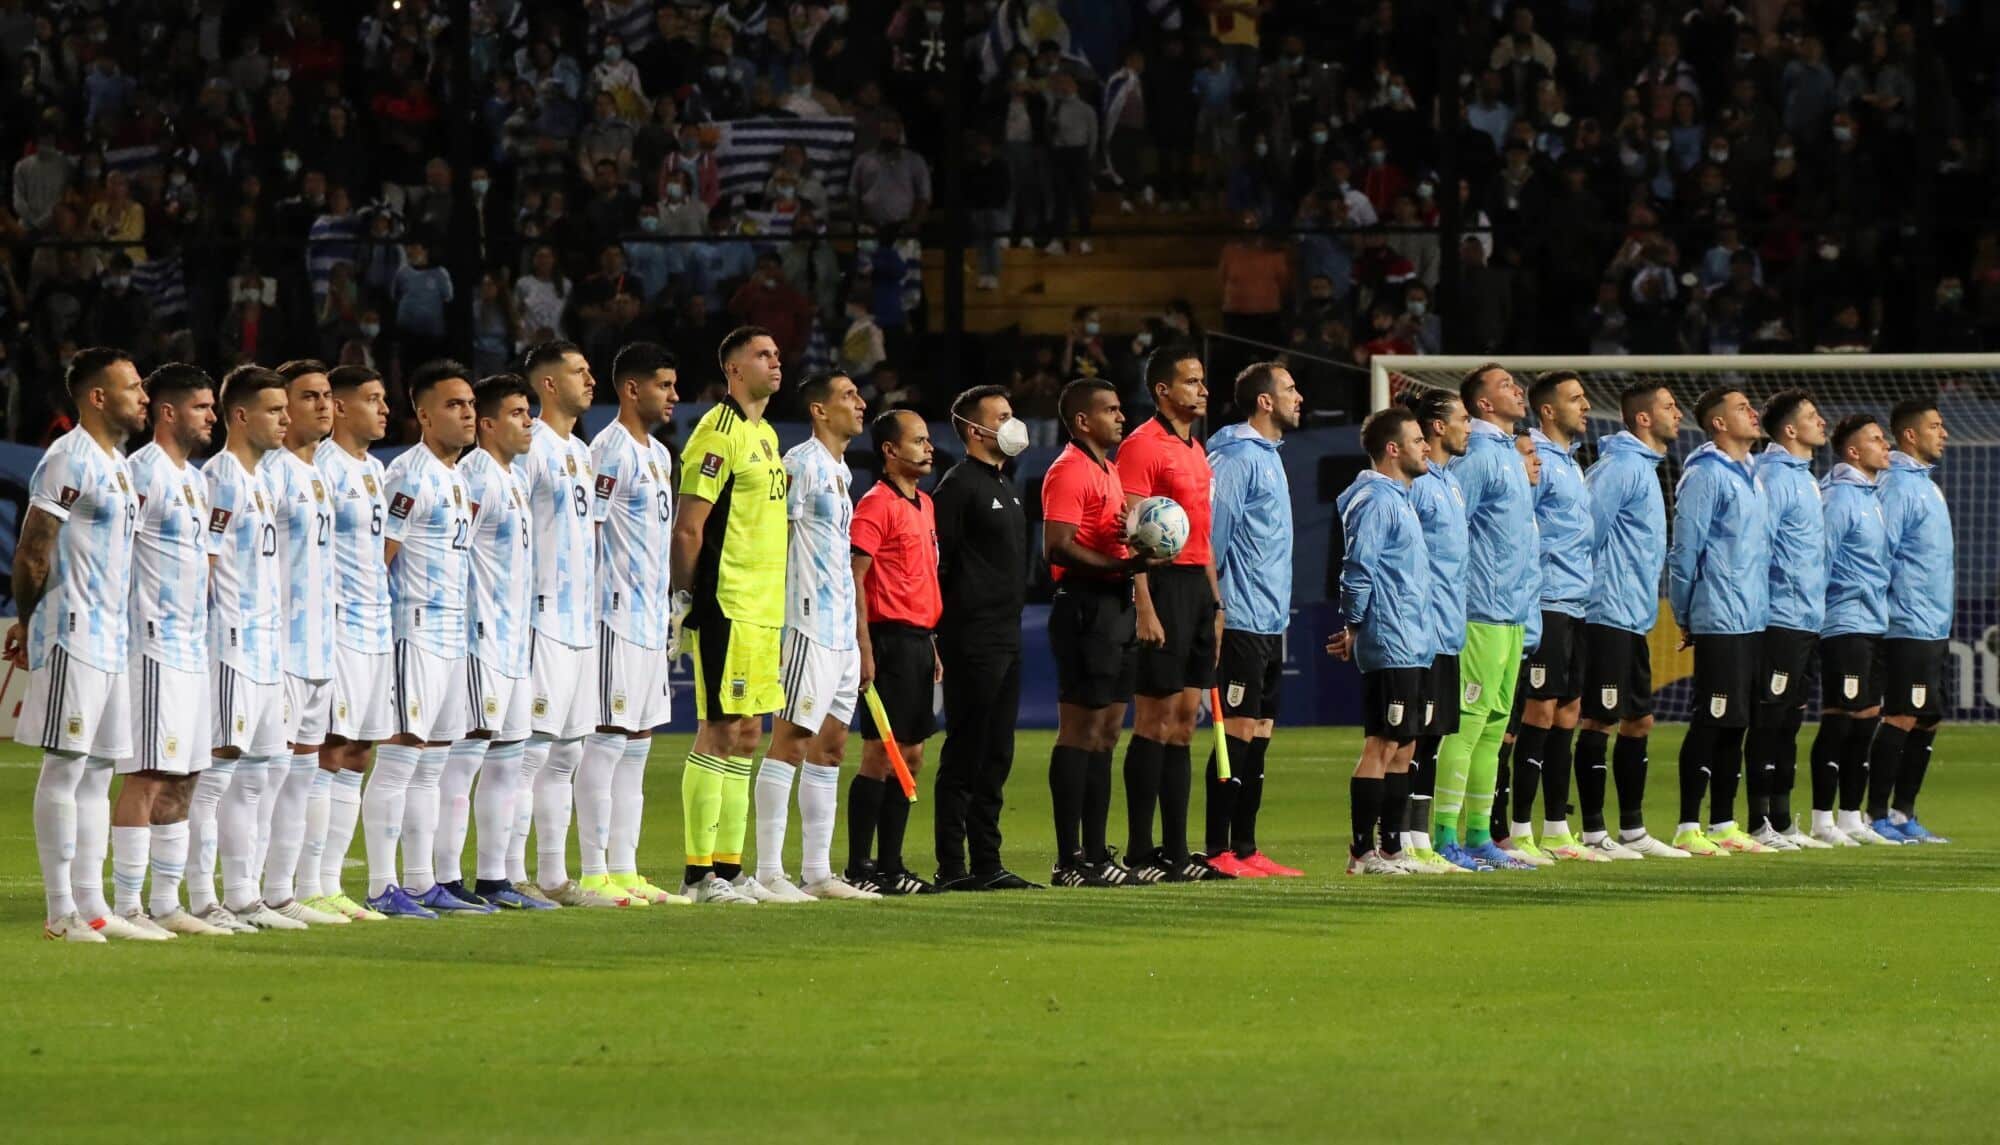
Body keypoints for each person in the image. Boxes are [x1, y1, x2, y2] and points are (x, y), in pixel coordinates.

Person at [11, 350, 146, 942]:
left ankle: (94, 906)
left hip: (113, 637)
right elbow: (34, 548)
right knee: (65, 767)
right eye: (133, 387)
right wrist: (30, 619)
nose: (143, 396)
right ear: (97, 397)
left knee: (99, 773)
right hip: (72, 630)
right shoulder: (67, 459)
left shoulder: (116, 464)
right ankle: (59, 910)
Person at [670, 326, 788, 905]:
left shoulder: (763, 433)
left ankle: (730, 866)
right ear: (735, 369)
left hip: (765, 607)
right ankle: (698, 877)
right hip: (728, 603)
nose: (776, 361)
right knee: (717, 729)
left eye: (777, 354)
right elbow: (690, 525)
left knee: (747, 733)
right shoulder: (716, 434)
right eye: (763, 355)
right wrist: (683, 598)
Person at [114, 365, 228, 936]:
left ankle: (165, 903)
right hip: (151, 644)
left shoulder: (198, 480)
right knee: (148, 773)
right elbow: (114, 550)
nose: (212, 416)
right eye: (203, 407)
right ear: (167, 412)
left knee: (186, 775)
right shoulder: (141, 473)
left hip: (191, 647)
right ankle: (128, 904)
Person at [370, 362, 487, 917]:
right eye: (453, 405)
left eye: (469, 404)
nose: (467, 413)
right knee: (400, 759)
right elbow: (380, 560)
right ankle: (379, 885)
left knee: (434, 762)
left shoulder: (458, 478)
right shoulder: (407, 476)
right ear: (422, 414)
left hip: (451, 636)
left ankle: (419, 883)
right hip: (413, 632)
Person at [760, 372, 879, 902]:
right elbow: (773, 536)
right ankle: (767, 870)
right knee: (792, 740)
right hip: (805, 624)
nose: (861, 403)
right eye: (848, 396)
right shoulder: (800, 465)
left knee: (830, 749)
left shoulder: (841, 471)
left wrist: (857, 634)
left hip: (839, 632)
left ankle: (817, 872)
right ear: (819, 410)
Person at [515, 341, 624, 909]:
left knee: (567, 754)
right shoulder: (529, 446)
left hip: (582, 623)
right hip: (542, 617)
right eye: (579, 372)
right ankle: (508, 874)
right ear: (548, 385)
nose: (590, 381)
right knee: (529, 751)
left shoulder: (580, 451)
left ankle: (554, 878)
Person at [579, 343, 688, 905]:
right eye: (664, 385)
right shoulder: (609, 450)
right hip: (613, 617)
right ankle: (593, 870)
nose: (674, 396)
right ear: (631, 389)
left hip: (650, 618)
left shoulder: (659, 455)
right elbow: (590, 533)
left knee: (640, 741)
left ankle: (625, 866)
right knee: (607, 739)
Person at [1116, 345, 1227, 883]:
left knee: (1185, 723)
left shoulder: (1196, 449)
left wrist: (1216, 603)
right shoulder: (1141, 446)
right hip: (1159, 584)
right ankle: (1141, 852)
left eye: (1203, 382)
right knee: (1154, 720)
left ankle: (1178, 853)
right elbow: (1129, 532)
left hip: (1195, 588)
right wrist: (1144, 603)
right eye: (1192, 382)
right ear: (1163, 390)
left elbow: (1200, 537)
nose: (1202, 391)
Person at [192, 366, 296, 930]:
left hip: (265, 647)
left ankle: (243, 895)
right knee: (217, 776)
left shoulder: (261, 478)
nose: (286, 419)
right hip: (230, 643)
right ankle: (202, 898)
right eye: (275, 411)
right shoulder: (222, 477)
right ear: (240, 415)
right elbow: (203, 562)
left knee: (264, 772)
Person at [1042, 379, 1156, 887]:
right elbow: (1058, 547)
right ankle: (1069, 859)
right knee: (1080, 732)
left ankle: (1095, 852)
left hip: (1114, 604)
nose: (1120, 417)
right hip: (1085, 605)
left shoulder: (1107, 469)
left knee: (1108, 733)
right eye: (1109, 410)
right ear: (1082, 420)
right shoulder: (1068, 470)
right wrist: (1122, 565)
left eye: (1120, 408)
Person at [1573, 382, 1689, 859]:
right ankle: (1593, 832)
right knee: (1599, 721)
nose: (1678, 414)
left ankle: (1634, 830)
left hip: (1633, 615)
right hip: (1606, 612)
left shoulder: (1645, 468)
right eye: (1668, 407)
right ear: (1642, 418)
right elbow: (1585, 533)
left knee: (1638, 720)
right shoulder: (1619, 468)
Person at [252, 360, 348, 925]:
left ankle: (283, 893)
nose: (321, 405)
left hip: (318, 648)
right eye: (308, 396)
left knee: (305, 775)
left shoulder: (318, 474)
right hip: (279, 649)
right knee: (268, 776)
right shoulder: (272, 473)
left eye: (327, 395)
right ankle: (249, 893)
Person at [455, 374, 555, 910]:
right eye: (518, 413)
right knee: (467, 759)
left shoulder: (512, 478)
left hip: (515, 644)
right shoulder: (474, 476)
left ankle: (495, 880)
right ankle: (446, 880)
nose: (529, 422)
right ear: (488, 424)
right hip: (481, 639)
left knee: (511, 761)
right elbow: (456, 554)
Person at [1432, 365, 1538, 872]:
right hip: (1478, 612)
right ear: (1483, 404)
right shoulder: (1475, 455)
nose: (1517, 389)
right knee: (1467, 726)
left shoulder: (1508, 454)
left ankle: (1479, 837)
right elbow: (1450, 529)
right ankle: (1442, 836)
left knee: (1494, 728)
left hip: (1511, 615)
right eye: (1505, 385)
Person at [932, 384, 1037, 891]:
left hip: (1007, 635)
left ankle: (987, 863)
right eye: (1003, 415)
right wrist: (941, 633)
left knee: (997, 753)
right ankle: (953, 867)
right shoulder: (957, 487)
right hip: (971, 637)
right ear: (976, 429)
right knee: (966, 750)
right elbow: (939, 565)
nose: (1014, 423)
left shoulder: (1008, 485)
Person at [1203, 362, 1306, 877]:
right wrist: (1215, 608)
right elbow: (1212, 541)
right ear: (1264, 401)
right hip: (1239, 616)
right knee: (1237, 732)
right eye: (1289, 389)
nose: (1299, 396)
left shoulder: (1269, 457)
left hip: (1269, 620)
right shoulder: (1237, 458)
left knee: (1260, 731)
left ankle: (1245, 846)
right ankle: (1217, 848)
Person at [1667, 387, 1771, 856]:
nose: (1753, 412)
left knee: (1736, 723)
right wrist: (1686, 612)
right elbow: (1685, 549)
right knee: (1710, 719)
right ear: (1718, 424)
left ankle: (1725, 822)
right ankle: (1689, 823)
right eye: (1742, 408)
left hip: (1752, 616)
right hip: (1719, 614)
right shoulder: (1705, 474)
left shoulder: (1752, 472)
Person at [1328, 408, 1432, 875]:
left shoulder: (1399, 497)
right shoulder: (1376, 500)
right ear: (1393, 449)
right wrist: (1353, 624)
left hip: (1412, 639)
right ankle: (1360, 851)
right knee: (1382, 744)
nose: (1425, 446)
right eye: (1416, 440)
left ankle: (1390, 849)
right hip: (1390, 637)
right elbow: (1358, 567)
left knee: (1404, 746)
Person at [846, 409, 945, 896]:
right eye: (918, 441)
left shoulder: (924, 505)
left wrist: (930, 641)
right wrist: (864, 647)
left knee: (912, 753)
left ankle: (891, 865)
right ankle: (863, 866)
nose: (929, 448)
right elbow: (856, 578)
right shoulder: (874, 505)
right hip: (886, 639)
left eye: (928, 440)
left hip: (918, 640)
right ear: (889, 450)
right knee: (881, 754)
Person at [310, 365, 395, 920]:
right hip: (337, 626)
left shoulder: (374, 469)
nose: (384, 408)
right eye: (372, 399)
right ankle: (307, 882)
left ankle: (332, 883)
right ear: (340, 408)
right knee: (329, 748)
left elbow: (380, 550)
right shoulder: (323, 465)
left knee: (359, 752)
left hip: (375, 624)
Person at [1510, 371, 1602, 863]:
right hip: (1545, 602)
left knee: (1568, 710)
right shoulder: (1535, 458)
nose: (1585, 406)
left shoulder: (1571, 463)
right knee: (1538, 711)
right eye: (1576, 399)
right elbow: (1523, 526)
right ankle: (1520, 829)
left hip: (1575, 602)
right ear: (1548, 410)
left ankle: (1556, 828)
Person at [1867, 399, 1954, 844]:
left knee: (1927, 716)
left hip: (1932, 623)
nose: (1945, 434)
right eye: (1936, 427)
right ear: (1910, 435)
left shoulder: (1926, 485)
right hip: (1907, 622)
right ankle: (1877, 815)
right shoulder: (1899, 485)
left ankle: (1904, 813)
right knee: (1902, 713)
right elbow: (1882, 551)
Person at [1395, 386, 1474, 873]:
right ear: (1438, 427)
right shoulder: (1419, 485)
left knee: (1432, 739)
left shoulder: (1448, 482)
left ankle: (1420, 839)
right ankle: (1403, 838)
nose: (1469, 427)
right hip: (1421, 633)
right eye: (1463, 418)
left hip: (1448, 630)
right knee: (1412, 740)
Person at [1744, 390, 1828, 850]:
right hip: (1779, 616)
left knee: (1790, 720)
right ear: (1790, 430)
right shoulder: (1774, 476)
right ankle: (1759, 822)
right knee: (1769, 720)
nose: (1822, 423)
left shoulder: (1805, 477)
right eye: (1813, 417)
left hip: (1805, 618)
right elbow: (1761, 546)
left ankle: (1781, 818)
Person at [1811, 413, 1896, 847]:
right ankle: (1822, 819)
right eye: (1877, 440)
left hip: (1871, 622)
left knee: (1864, 719)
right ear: (1852, 452)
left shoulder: (1870, 496)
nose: (1887, 446)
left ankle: (1849, 816)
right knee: (1839, 720)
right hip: (1843, 622)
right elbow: (1820, 561)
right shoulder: (1840, 498)